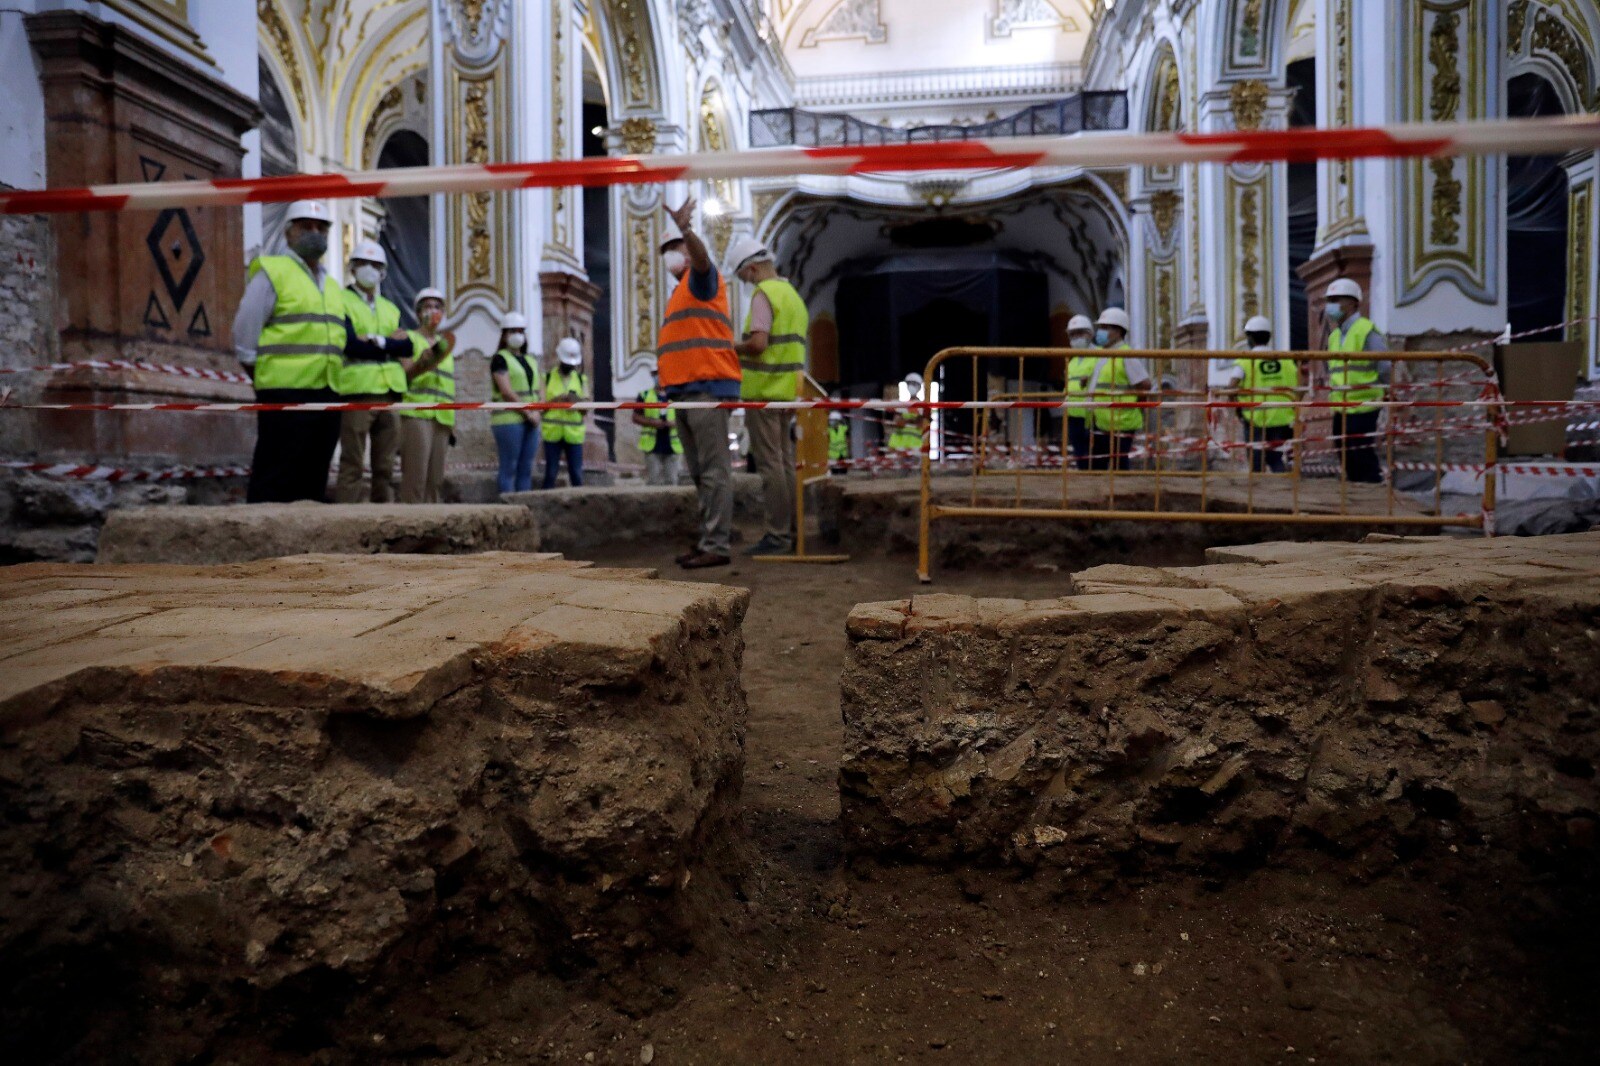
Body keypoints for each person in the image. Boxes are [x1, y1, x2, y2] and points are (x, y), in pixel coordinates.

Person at [233, 201, 412, 503]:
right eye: (306, 226)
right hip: (285, 392)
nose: (314, 233)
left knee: (313, 479)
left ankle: (307, 549)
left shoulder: (330, 286)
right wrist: (264, 380)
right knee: (275, 477)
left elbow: (341, 339)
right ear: (289, 232)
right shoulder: (273, 272)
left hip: (327, 391)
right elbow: (244, 334)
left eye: (321, 228)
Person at [656, 198, 741, 569]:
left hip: (706, 388)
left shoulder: (702, 279)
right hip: (684, 392)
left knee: (713, 470)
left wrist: (687, 230)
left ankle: (717, 545)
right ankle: (709, 538)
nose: (669, 255)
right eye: (666, 250)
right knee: (699, 472)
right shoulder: (679, 292)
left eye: (673, 248)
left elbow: (704, 260)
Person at [729, 235, 809, 556]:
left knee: (771, 466)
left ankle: (777, 535)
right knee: (785, 463)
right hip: (786, 393)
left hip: (763, 393)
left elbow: (759, 344)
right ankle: (790, 530)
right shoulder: (792, 296)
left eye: (743, 276)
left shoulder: (765, 294)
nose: (745, 282)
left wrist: (730, 347)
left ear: (751, 268)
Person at [333, 239, 408, 503]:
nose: (369, 269)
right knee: (352, 462)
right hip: (358, 390)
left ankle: (382, 516)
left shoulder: (391, 308)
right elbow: (352, 346)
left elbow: (407, 347)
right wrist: (389, 343)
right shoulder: (340, 300)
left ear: (383, 271)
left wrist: (376, 341)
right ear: (352, 268)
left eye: (375, 265)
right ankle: (345, 522)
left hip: (390, 392)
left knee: (385, 466)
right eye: (363, 263)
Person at [1323, 277, 1388, 484]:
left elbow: (1385, 365)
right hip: (1341, 406)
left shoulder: (1365, 329)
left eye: (1337, 300)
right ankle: (1355, 496)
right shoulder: (1334, 336)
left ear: (1352, 303)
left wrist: (1384, 389)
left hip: (1363, 404)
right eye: (1329, 300)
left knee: (1361, 454)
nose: (1331, 306)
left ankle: (1372, 494)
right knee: (1345, 455)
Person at [398, 287, 456, 503]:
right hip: (417, 414)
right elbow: (404, 375)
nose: (433, 311)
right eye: (428, 306)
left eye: (438, 307)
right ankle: (410, 526)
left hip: (442, 418)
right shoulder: (409, 338)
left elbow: (449, 387)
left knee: (435, 481)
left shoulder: (445, 346)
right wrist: (422, 361)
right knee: (415, 478)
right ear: (418, 312)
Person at [1229, 315, 1299, 473]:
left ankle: (1258, 494)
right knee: (1277, 459)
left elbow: (1231, 386)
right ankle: (1283, 492)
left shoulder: (1246, 361)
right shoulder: (1286, 360)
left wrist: (1238, 409)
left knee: (1256, 462)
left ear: (1250, 338)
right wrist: (1293, 408)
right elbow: (1299, 387)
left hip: (1255, 420)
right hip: (1282, 419)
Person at [1087, 307, 1152, 471]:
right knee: (1098, 466)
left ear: (1118, 331)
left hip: (1121, 422)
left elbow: (1145, 385)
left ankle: (1123, 497)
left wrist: (1135, 407)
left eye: (1106, 328)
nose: (1101, 332)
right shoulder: (1104, 354)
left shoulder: (1125, 354)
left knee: (1119, 467)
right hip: (1102, 422)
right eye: (1101, 327)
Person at [489, 311, 539, 494]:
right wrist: (528, 412)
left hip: (532, 420)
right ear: (504, 335)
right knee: (509, 467)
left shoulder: (530, 360)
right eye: (512, 331)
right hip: (509, 420)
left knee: (526, 469)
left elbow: (537, 391)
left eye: (520, 331)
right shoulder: (500, 358)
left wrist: (537, 412)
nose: (517, 335)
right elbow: (506, 391)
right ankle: (507, 511)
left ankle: (523, 509)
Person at [541, 338, 588, 489]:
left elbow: (585, 409)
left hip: (574, 434)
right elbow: (541, 407)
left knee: (576, 474)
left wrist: (575, 401)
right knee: (550, 474)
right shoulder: (547, 378)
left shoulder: (581, 379)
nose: (570, 366)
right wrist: (558, 399)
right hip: (552, 433)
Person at [632, 359, 682, 486]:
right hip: (652, 445)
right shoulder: (644, 395)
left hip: (673, 446)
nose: (658, 376)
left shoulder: (677, 396)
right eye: (655, 374)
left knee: (672, 481)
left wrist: (674, 423)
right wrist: (652, 422)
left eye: (660, 373)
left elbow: (686, 416)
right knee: (653, 481)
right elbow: (635, 417)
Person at [1064, 313, 1096, 469]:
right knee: (1080, 455)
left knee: (1094, 457)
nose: (1076, 338)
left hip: (1092, 415)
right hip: (1074, 414)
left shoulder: (1099, 356)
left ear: (1089, 334)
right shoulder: (1073, 361)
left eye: (1079, 333)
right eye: (1073, 335)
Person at [887, 372, 924, 456]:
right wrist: (913, 420)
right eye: (909, 383)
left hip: (916, 447)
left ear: (919, 386)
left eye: (914, 384)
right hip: (899, 447)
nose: (911, 386)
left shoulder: (923, 406)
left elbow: (921, 424)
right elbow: (898, 422)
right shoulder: (901, 405)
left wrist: (906, 420)